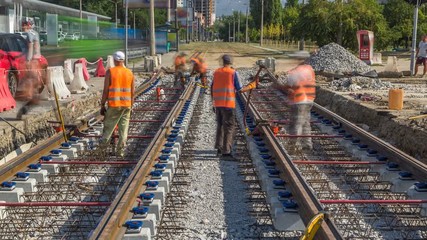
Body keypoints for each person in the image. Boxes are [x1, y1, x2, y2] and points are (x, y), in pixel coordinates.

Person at [211, 54, 257, 160]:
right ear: (230, 62)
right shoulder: (233, 73)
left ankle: (219, 148)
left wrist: (213, 102)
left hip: (218, 104)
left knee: (220, 125)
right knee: (229, 127)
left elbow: (212, 87)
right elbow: (240, 89)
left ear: (222, 62)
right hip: (228, 104)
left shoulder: (216, 72)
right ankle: (226, 152)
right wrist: (251, 86)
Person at [100, 51, 135, 157]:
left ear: (115, 60)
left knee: (108, 129)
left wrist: (102, 105)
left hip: (114, 105)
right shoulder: (130, 73)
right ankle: (120, 152)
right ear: (123, 60)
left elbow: (106, 91)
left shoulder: (110, 72)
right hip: (126, 105)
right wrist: (131, 106)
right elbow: (132, 92)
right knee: (123, 131)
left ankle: (102, 152)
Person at [273, 63, 316, 151]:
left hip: (299, 100)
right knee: (305, 123)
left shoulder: (295, 72)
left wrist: (279, 86)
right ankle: (308, 144)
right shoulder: (309, 69)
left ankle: (293, 145)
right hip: (310, 99)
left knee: (296, 123)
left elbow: (290, 85)